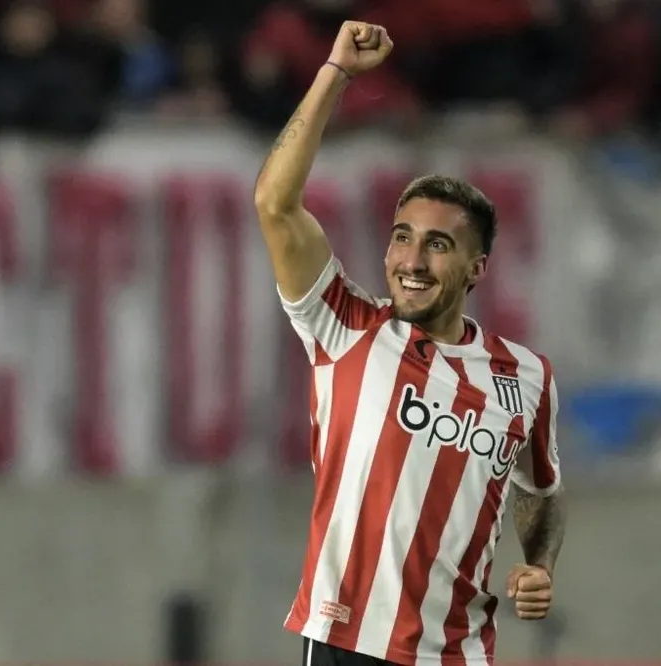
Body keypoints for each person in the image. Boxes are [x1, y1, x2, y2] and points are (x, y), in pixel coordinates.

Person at [253, 20, 568, 666]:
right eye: (402, 236)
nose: (412, 259)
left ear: (477, 268)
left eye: (438, 244)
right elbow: (276, 204)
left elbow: (539, 490)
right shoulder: (345, 328)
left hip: (458, 656)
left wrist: (539, 564)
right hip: (346, 644)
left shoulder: (526, 377)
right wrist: (334, 73)